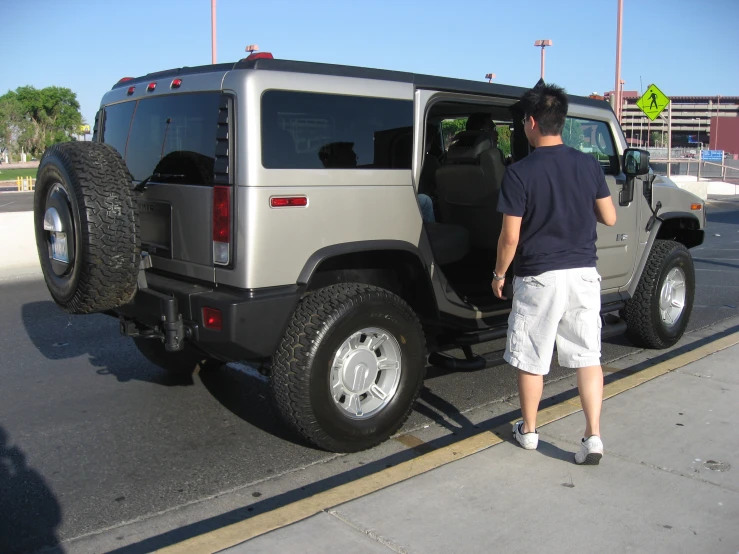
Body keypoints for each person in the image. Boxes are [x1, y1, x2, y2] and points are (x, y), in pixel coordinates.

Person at [491, 83, 617, 465]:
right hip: (582, 274)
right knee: (587, 356)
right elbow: (609, 216)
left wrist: (498, 275)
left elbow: (510, 236)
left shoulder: (519, 172)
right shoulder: (588, 164)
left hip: (539, 277)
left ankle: (529, 431)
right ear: (560, 121)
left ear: (531, 123)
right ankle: (592, 436)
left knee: (532, 356)